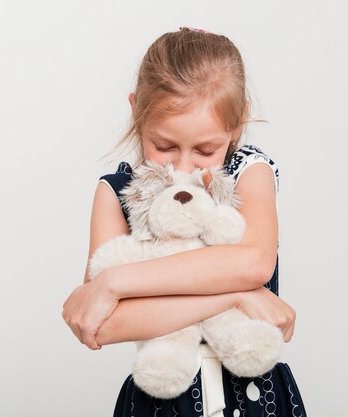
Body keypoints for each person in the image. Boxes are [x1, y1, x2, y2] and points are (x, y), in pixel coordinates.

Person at [62, 26, 307, 416]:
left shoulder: (249, 172)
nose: (183, 166)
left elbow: (253, 263)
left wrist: (115, 282)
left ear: (238, 120)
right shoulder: (117, 193)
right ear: (136, 111)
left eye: (206, 149)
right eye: (164, 146)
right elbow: (104, 324)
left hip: (260, 402)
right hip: (162, 404)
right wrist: (238, 295)